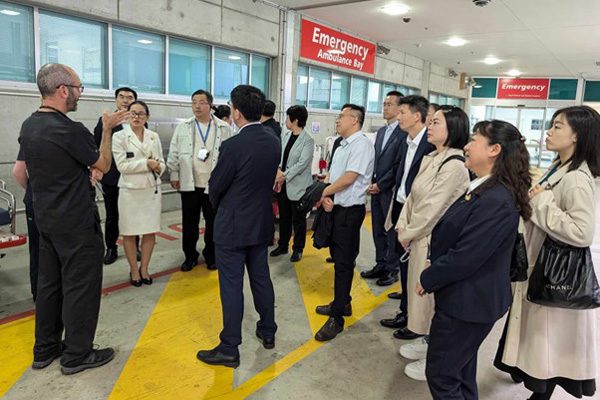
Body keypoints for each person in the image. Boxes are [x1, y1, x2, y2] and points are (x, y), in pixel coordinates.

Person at [19, 63, 128, 375]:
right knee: (80, 287)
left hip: (46, 220)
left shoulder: (30, 125)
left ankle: (45, 349)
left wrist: (80, 172)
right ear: (63, 90)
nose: (80, 94)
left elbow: (31, 171)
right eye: (79, 88)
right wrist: (106, 129)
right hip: (77, 223)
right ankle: (77, 354)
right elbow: (104, 164)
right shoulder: (69, 129)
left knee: (50, 285)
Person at [419, 119, 531, 399]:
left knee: (442, 376)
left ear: (494, 150)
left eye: (473, 141)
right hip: (468, 298)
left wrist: (429, 277)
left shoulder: (496, 198)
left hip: (469, 303)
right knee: (461, 371)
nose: (466, 146)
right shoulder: (483, 188)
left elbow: (467, 257)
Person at [495, 106, 600, 400]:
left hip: (553, 269)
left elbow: (582, 233)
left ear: (577, 135)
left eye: (557, 126)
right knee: (539, 340)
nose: (549, 132)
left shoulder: (577, 178)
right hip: (539, 261)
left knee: (547, 343)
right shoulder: (559, 166)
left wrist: (540, 202)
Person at [196, 85, 280, 368]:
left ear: (237, 112)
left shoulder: (232, 145)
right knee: (260, 278)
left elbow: (216, 186)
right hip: (260, 222)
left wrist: (221, 206)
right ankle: (268, 330)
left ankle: (229, 347)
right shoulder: (272, 140)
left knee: (231, 286)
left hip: (232, 226)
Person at [395, 105, 471, 381]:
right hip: (416, 236)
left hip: (432, 241)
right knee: (419, 298)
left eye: (435, 122)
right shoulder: (431, 158)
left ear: (453, 129)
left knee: (430, 298)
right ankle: (427, 340)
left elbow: (432, 208)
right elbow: (412, 197)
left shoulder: (455, 166)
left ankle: (435, 355)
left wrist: (407, 233)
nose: (429, 127)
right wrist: (402, 226)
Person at [312, 104, 375, 342]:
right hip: (336, 208)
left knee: (344, 263)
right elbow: (333, 174)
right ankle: (343, 302)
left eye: (341, 116)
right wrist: (327, 196)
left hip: (350, 212)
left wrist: (323, 192)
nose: (337, 120)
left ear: (355, 120)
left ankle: (337, 318)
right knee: (338, 258)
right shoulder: (341, 144)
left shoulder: (362, 145)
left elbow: (350, 178)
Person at [379, 95, 435, 339]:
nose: (398, 116)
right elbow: (399, 173)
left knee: (416, 262)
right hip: (401, 206)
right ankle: (405, 307)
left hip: (419, 212)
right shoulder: (407, 141)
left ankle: (414, 318)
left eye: (402, 112)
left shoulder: (430, 145)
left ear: (417, 116)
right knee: (402, 259)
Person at [167, 89, 232, 271]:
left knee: (213, 223)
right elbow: (174, 152)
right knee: (189, 223)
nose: (197, 105)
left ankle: (211, 255)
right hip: (189, 182)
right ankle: (190, 256)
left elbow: (229, 157)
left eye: (202, 102)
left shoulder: (224, 128)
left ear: (210, 105)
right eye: (194, 101)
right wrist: (174, 174)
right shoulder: (184, 126)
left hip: (213, 184)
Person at [112, 101, 165, 287]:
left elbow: (160, 161)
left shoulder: (153, 136)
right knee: (129, 233)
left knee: (150, 231)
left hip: (151, 189)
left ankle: (145, 268)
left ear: (147, 117)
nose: (136, 117)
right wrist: (146, 164)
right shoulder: (119, 136)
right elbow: (122, 166)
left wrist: (159, 167)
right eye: (133, 113)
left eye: (141, 114)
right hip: (130, 191)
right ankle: (134, 269)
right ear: (127, 115)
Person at [361, 91, 405, 282]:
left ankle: (392, 268)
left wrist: (381, 184)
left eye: (389, 104)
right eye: (384, 104)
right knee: (377, 228)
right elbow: (376, 159)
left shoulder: (403, 133)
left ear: (399, 108)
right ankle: (380, 263)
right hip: (377, 188)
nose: (385, 107)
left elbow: (398, 165)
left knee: (390, 231)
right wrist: (372, 181)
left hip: (390, 190)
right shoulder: (380, 132)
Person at [93, 87, 138, 265]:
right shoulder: (106, 121)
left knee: (134, 214)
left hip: (134, 175)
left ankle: (136, 246)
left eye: (130, 97)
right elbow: (95, 145)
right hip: (112, 177)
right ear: (116, 100)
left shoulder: (139, 121)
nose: (126, 100)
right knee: (112, 214)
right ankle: (111, 247)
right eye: (122, 97)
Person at [271, 105, 314, 262]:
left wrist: (284, 175)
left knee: (299, 220)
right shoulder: (286, 135)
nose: (285, 121)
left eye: (287, 117)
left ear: (295, 120)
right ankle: (282, 246)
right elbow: (280, 156)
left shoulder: (308, 140)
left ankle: (298, 249)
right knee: (284, 218)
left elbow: (302, 163)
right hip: (284, 186)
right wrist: (277, 170)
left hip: (298, 186)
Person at [12, 150, 39, 302]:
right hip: (57, 203)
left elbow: (18, 172)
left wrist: (30, 189)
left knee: (36, 249)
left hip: (34, 199)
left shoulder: (30, 137)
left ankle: (37, 292)